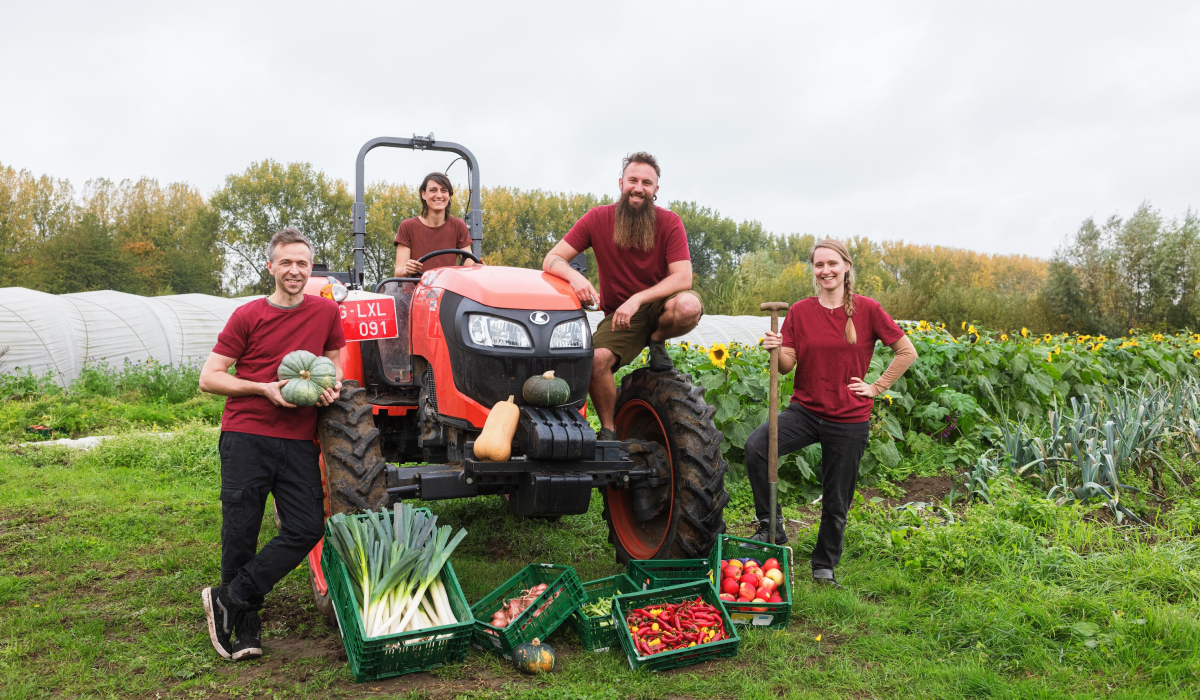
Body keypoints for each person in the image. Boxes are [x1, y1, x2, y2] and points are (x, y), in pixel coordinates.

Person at [197, 227, 346, 661]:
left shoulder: (325, 313)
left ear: (311, 267)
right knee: (240, 531)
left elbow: (334, 365)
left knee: (306, 527)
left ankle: (231, 596)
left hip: (299, 439)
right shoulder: (248, 316)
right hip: (247, 435)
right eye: (286, 263)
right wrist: (264, 388)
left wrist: (330, 387)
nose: (295, 270)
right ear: (271, 267)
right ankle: (243, 625)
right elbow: (210, 377)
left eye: (302, 263)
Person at [745, 239, 917, 589]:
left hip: (849, 417)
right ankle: (771, 525)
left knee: (837, 497)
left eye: (832, 264)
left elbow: (905, 350)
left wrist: (876, 387)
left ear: (846, 267)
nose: (825, 270)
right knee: (757, 446)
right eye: (818, 265)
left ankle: (824, 567)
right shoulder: (800, 311)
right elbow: (787, 367)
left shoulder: (867, 309)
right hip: (806, 410)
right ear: (813, 270)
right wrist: (776, 350)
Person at [542, 152, 703, 440]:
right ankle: (609, 430)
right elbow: (553, 258)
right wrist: (576, 276)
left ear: (656, 190)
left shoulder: (670, 222)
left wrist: (638, 298)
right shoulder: (597, 218)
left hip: (658, 306)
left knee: (689, 304)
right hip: (620, 315)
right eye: (633, 180)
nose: (638, 187)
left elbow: (683, 277)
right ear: (621, 183)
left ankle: (656, 340)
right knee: (596, 360)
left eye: (646, 182)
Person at [394, 172, 475, 276]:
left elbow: (468, 266)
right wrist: (407, 269)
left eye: (444, 191)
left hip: (447, 288)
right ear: (423, 194)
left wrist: (478, 268)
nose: (439, 195)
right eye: (433, 190)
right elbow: (399, 271)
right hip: (416, 289)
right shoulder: (408, 226)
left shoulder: (458, 226)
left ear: (449, 195)